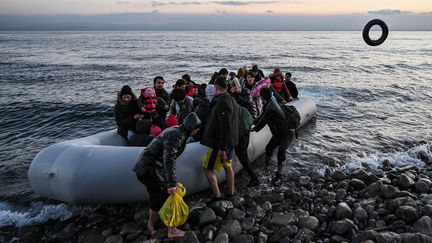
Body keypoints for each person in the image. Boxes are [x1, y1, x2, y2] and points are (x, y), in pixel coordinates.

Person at [133, 113, 201, 238]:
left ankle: (151, 225)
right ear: (194, 129)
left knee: (155, 195)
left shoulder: (178, 129)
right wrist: (171, 183)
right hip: (148, 169)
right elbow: (169, 158)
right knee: (167, 195)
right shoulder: (177, 135)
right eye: (197, 130)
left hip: (146, 167)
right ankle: (172, 230)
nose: (197, 132)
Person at [201, 77, 239, 201]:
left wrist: (222, 149)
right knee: (228, 166)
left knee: (207, 168)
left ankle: (217, 196)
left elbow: (226, 126)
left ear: (216, 88)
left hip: (219, 143)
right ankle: (230, 193)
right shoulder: (231, 99)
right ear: (227, 87)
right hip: (230, 141)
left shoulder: (222, 102)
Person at [251, 87, 294, 182]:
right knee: (269, 148)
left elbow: (263, 121)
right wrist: (250, 122)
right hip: (278, 133)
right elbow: (260, 117)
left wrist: (253, 129)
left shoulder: (271, 107)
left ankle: (279, 174)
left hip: (287, 132)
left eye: (260, 97)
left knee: (281, 152)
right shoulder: (269, 104)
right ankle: (267, 167)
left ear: (262, 97)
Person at [229, 79, 260, 186]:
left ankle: (254, 178)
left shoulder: (245, 92)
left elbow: (248, 103)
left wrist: (237, 95)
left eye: (233, 87)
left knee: (241, 152)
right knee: (241, 153)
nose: (231, 89)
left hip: (247, 121)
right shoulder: (233, 93)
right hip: (241, 122)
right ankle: (252, 175)